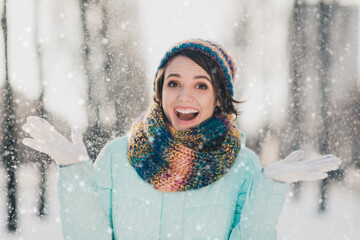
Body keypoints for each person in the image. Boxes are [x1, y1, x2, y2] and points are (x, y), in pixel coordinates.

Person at [22, 39, 341, 240]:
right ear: (160, 91)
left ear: (219, 98)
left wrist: (270, 186)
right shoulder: (118, 156)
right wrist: (73, 169)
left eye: (201, 85)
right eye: (174, 83)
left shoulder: (243, 167)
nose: (184, 96)